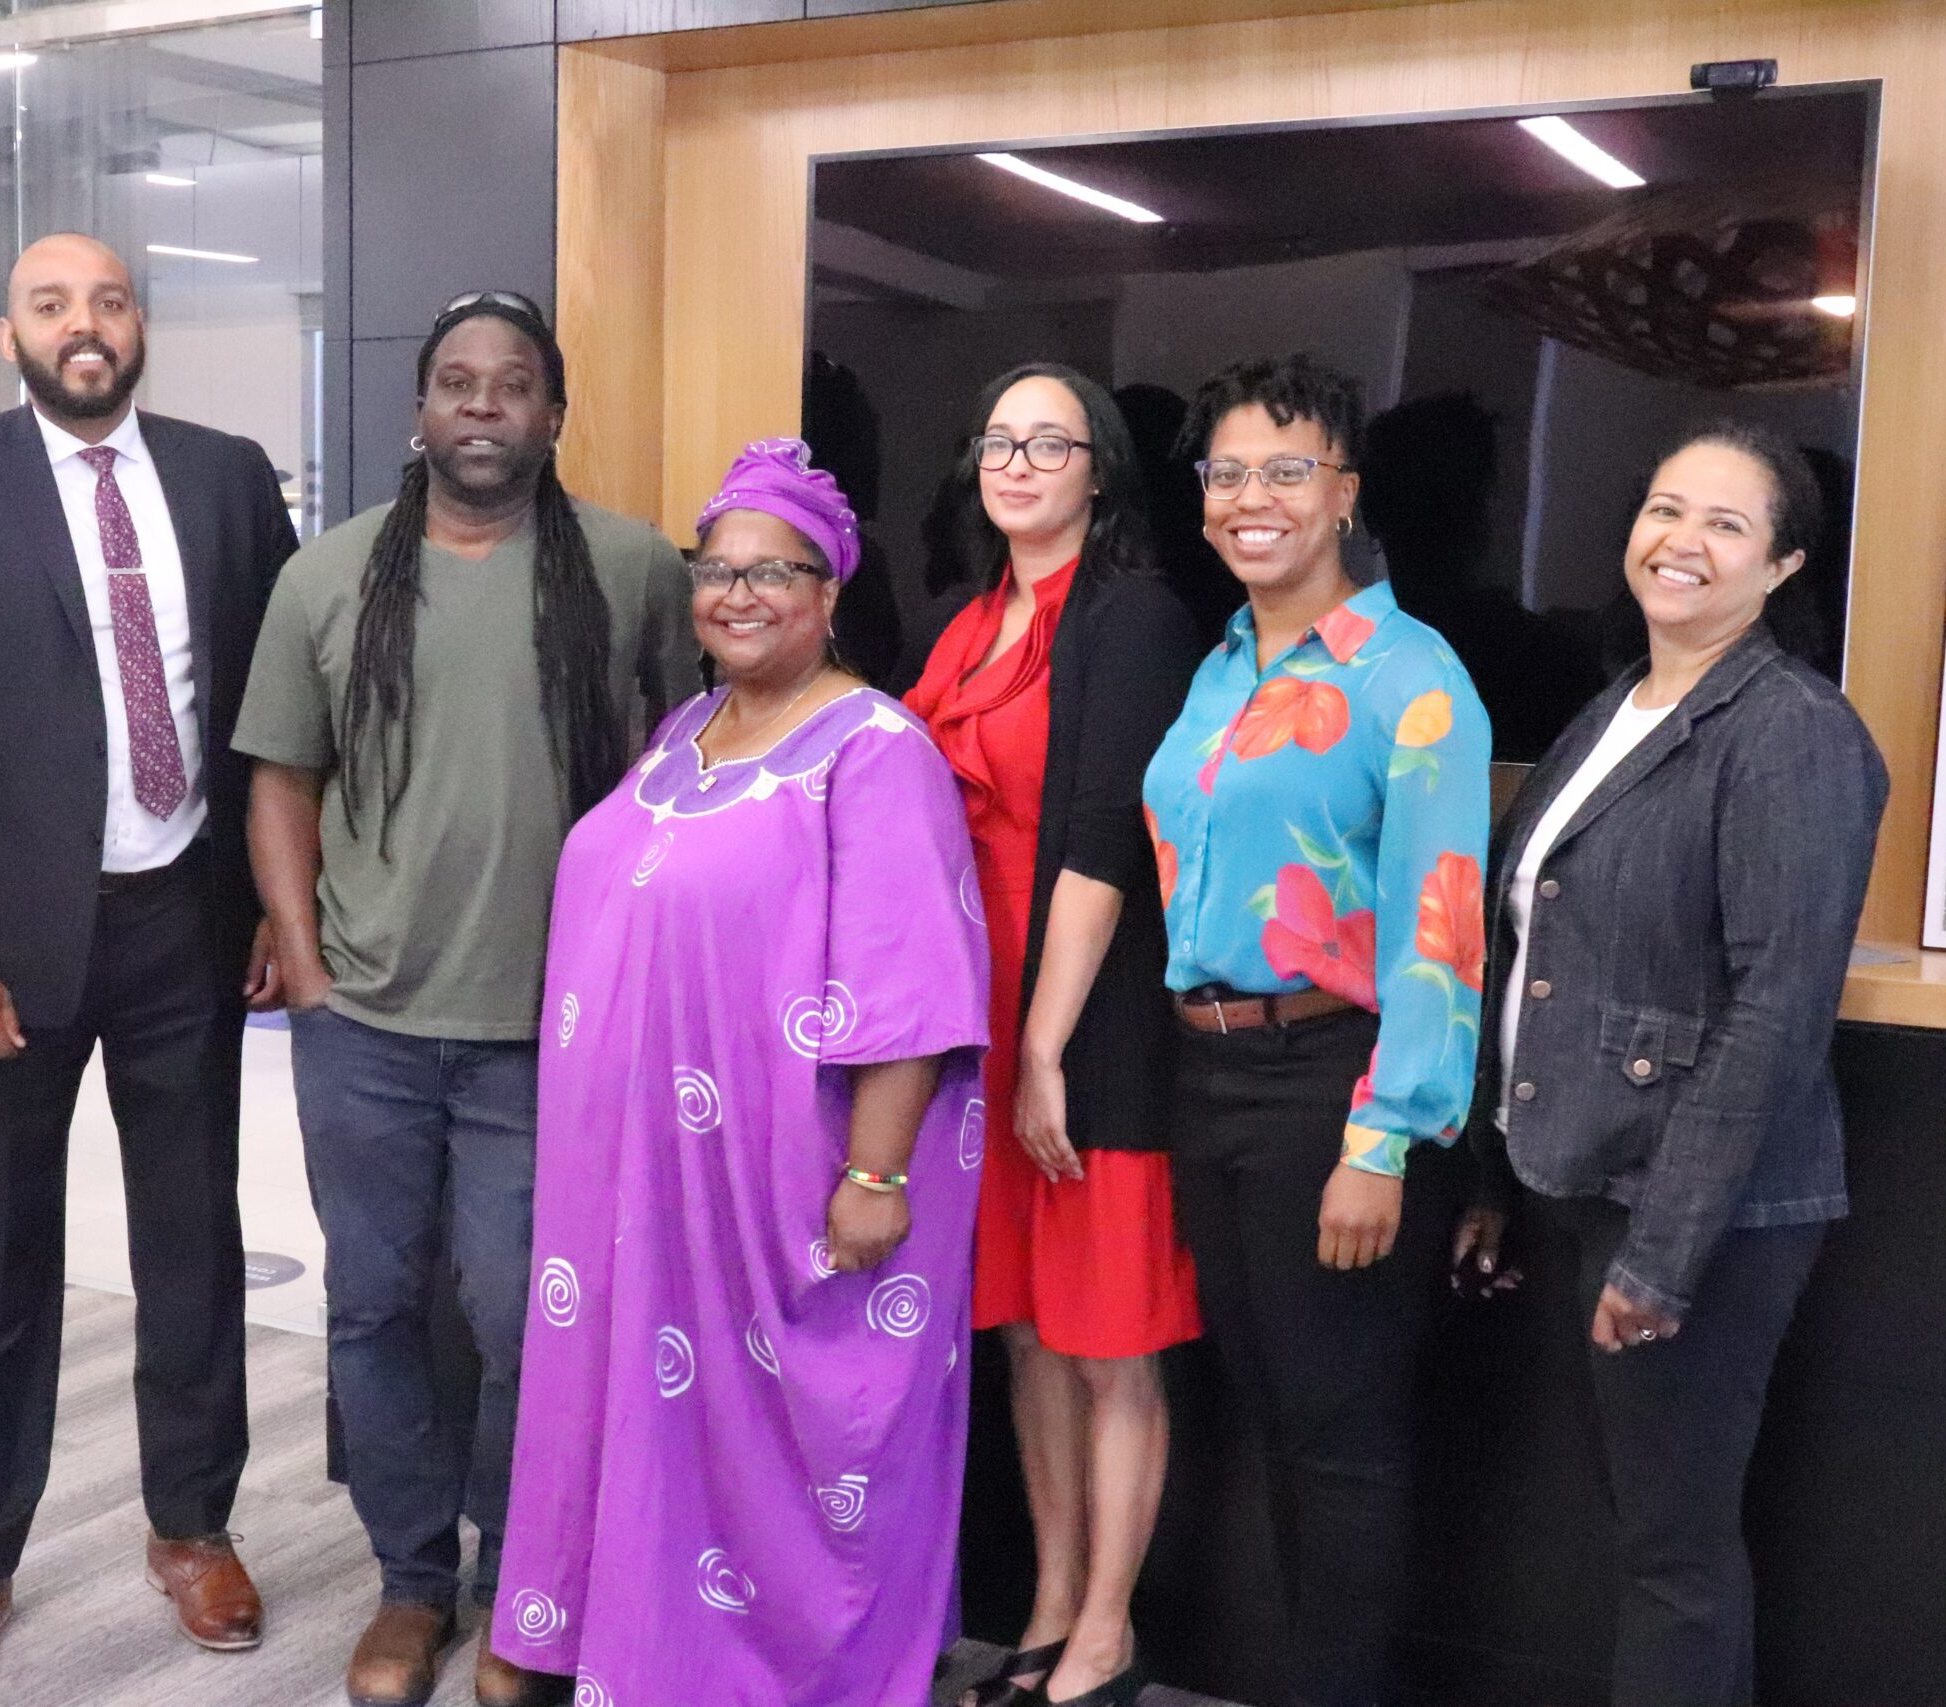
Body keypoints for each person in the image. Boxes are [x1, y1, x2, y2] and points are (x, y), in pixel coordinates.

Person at [234, 290, 698, 1707]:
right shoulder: (328, 576)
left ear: (554, 414)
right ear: (419, 410)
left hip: (544, 1037)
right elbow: (279, 781)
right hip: (363, 1025)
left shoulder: (627, 569)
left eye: (512, 385)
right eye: (456, 382)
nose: (483, 404)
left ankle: (519, 1579)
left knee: (521, 1314)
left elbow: (687, 765)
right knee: (372, 1305)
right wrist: (303, 962)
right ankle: (409, 1582)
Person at [0, 234, 298, 1701]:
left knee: (194, 1238)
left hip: (185, 912)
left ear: (140, 321)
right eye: (52, 303)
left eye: (108, 300)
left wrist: (265, 898)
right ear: (9, 333)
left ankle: (193, 1522)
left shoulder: (230, 475)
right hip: (8, 943)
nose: (85, 324)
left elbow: (270, 709)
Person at [492, 438, 991, 1707]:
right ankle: (615, 1646)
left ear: (829, 594)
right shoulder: (684, 729)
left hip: (783, 1187)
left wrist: (875, 1174)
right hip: (643, 1186)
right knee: (639, 1414)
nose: (742, 594)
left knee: (776, 1457)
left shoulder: (874, 751)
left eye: (777, 572)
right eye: (719, 570)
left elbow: (911, 991)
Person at [1459, 422, 1885, 1707]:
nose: (1680, 542)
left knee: (1673, 1555)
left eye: (1725, 524)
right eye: (1663, 509)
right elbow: (1534, 956)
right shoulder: (1617, 707)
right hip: (1587, 1173)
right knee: (1649, 1539)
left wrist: (1663, 1253)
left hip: (1703, 1211)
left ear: (1784, 563)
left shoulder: (1791, 732)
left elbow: (1775, 1012)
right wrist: (1496, 1176)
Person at [1141, 354, 1491, 1707]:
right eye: (1227, 471)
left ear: (1344, 492)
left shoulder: (1415, 677)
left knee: (1339, 1437)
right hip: (1210, 1069)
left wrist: (1385, 1138)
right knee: (1272, 1423)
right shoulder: (1225, 663)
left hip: (1327, 1086)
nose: (1250, 498)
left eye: (1286, 469)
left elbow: (1440, 927)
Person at [901, 365, 1205, 1707]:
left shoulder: (1133, 615)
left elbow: (1102, 839)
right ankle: (1045, 1596)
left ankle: (1108, 1625)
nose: (1018, 461)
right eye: (1000, 438)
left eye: (1051, 441)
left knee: (1109, 1336)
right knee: (1024, 1330)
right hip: (975, 1025)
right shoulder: (967, 625)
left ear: (1103, 469)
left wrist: (1043, 1046)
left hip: (1089, 1024)